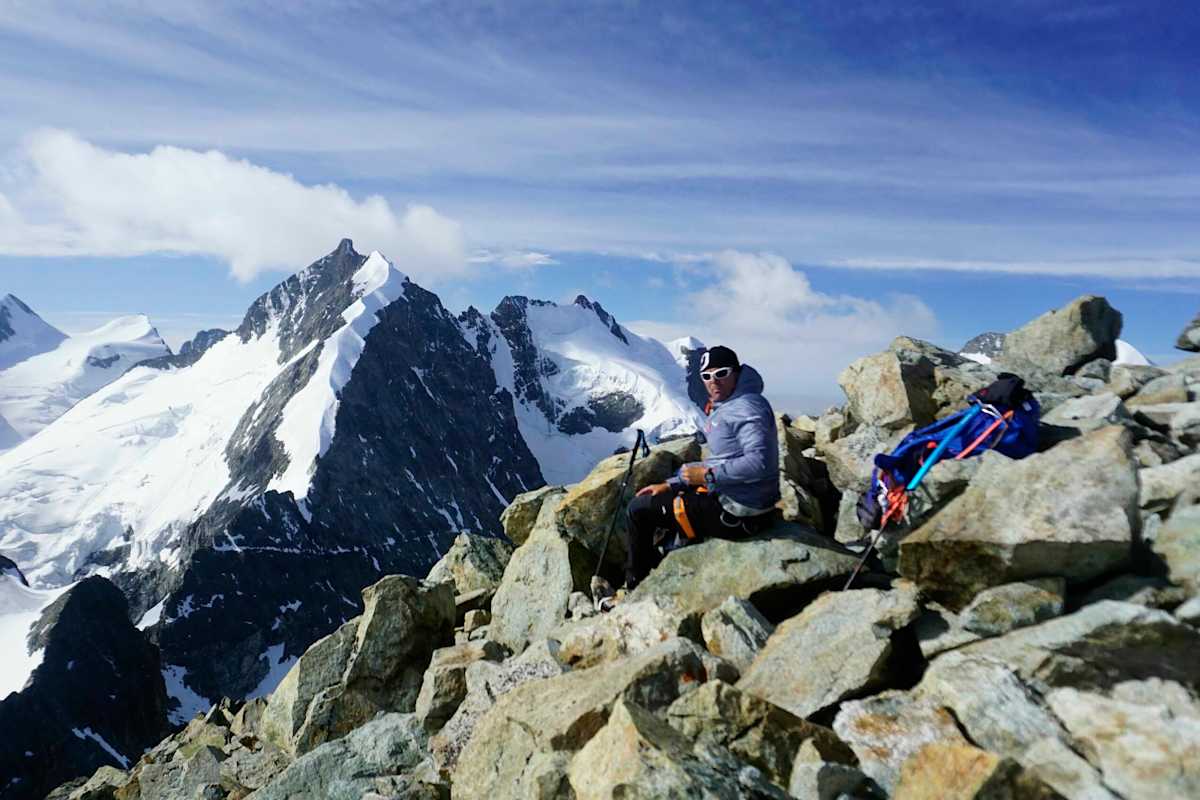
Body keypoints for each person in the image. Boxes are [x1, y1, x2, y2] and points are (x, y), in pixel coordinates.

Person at [622, 345, 780, 589]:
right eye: (706, 376)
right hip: (736, 499)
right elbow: (723, 459)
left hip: (738, 512)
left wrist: (706, 475)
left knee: (639, 510)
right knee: (661, 498)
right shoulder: (731, 404)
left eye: (721, 373)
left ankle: (634, 586)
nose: (713, 381)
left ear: (737, 373)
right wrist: (672, 483)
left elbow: (759, 463)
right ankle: (662, 564)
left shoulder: (746, 407)